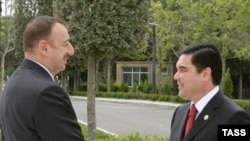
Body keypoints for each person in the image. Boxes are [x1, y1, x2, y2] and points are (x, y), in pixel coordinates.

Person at [0, 16, 85, 141]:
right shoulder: (47, 93)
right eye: (65, 44)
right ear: (44, 48)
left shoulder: (13, 82)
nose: (71, 51)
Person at [170, 43, 250, 141]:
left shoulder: (233, 118)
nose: (175, 76)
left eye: (183, 70)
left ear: (205, 74)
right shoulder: (180, 113)